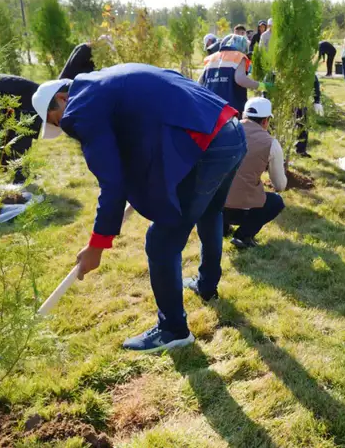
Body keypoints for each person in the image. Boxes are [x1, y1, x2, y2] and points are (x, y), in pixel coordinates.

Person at [30, 63, 245, 353]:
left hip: (206, 145)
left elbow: (112, 182)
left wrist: (98, 244)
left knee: (161, 243)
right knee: (210, 212)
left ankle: (173, 329)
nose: (63, 128)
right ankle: (206, 285)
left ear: (62, 100)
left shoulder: (80, 108)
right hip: (230, 129)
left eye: (55, 121)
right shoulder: (107, 80)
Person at [223, 97, 287, 249]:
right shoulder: (271, 143)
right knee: (276, 201)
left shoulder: (223, 131)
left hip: (212, 206)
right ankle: (243, 235)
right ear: (265, 121)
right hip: (242, 209)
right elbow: (280, 185)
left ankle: (221, 229)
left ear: (243, 116)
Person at [0, 75, 42, 184]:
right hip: (18, 99)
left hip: (32, 100)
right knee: (6, 130)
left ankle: (21, 177)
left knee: (21, 137)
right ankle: (5, 166)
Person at [199, 34, 267, 114]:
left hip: (211, 107)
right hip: (231, 109)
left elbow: (200, 83)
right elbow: (240, 79)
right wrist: (262, 85)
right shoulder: (239, 56)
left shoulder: (211, 58)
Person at [294, 75, 323, 157]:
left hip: (300, 100)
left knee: (302, 124)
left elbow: (313, 78)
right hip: (282, 98)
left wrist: (317, 100)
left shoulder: (306, 68)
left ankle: (301, 150)